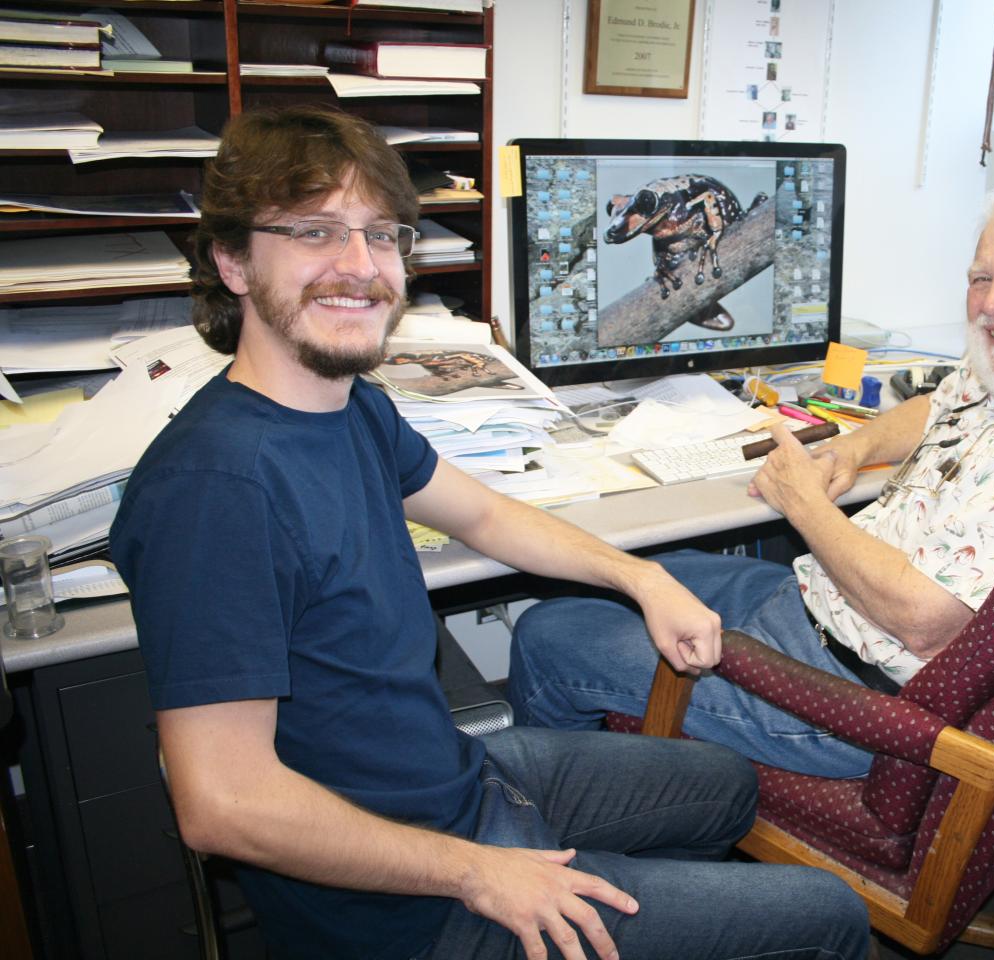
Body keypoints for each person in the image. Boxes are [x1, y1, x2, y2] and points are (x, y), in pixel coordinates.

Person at [109, 105, 870, 960]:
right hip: (407, 907)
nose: (360, 269)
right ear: (234, 261)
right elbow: (223, 804)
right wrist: (480, 875)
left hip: (458, 784)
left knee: (725, 786)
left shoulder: (348, 404)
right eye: (316, 233)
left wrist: (643, 579)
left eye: (383, 236)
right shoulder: (216, 489)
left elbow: (484, 513)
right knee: (829, 916)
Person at [509, 176, 994, 780]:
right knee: (622, 579)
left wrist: (802, 501)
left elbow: (923, 622)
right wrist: (851, 450)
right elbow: (939, 402)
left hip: (848, 694)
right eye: (981, 278)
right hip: (820, 610)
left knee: (551, 634)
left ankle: (572, 835)